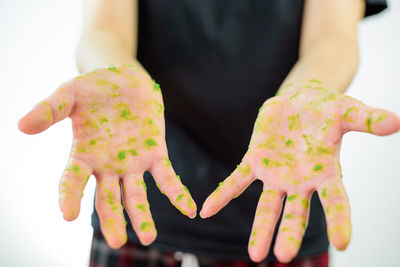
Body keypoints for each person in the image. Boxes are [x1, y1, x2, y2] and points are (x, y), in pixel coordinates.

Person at [18, 0, 400, 266]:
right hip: (140, 182)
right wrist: (115, 72)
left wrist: (309, 89)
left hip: (282, 188)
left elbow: (332, 37)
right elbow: (104, 28)